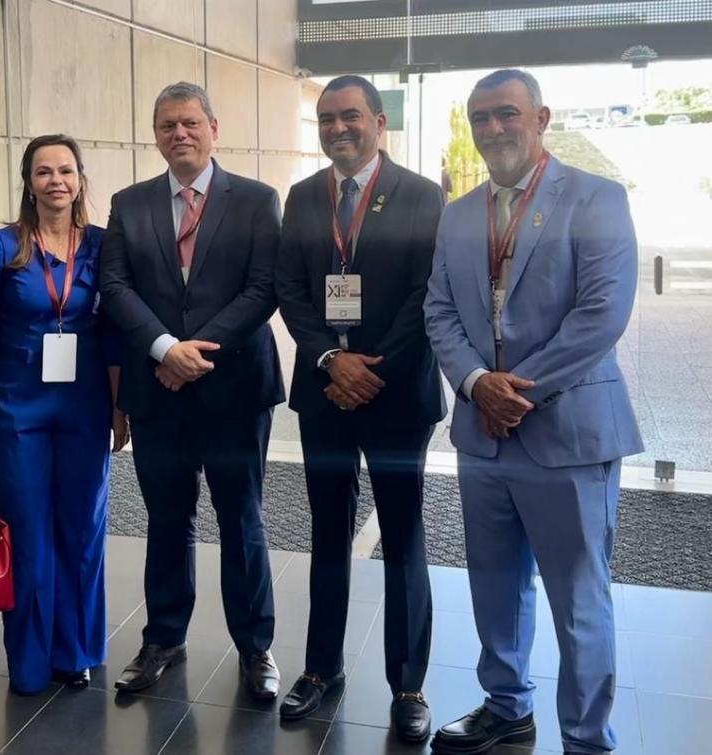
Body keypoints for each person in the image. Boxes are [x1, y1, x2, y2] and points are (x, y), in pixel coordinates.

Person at [423, 69, 642, 755]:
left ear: (540, 118)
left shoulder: (596, 198)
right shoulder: (457, 213)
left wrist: (512, 390)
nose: (492, 129)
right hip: (482, 439)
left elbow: (601, 314)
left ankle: (585, 737)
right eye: (480, 118)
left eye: (506, 114)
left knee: (578, 599)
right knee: (493, 582)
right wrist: (473, 382)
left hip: (566, 432)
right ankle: (506, 706)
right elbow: (437, 309)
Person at [100, 82, 284, 700]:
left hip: (232, 390)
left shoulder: (258, 200)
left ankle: (255, 648)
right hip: (158, 391)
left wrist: (194, 351)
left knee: (243, 521)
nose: (178, 134)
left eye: (189, 123)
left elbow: (264, 289)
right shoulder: (129, 204)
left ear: (213, 126)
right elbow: (116, 287)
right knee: (167, 521)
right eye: (165, 126)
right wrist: (162, 349)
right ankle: (163, 638)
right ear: (154, 136)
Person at [274, 74, 445, 740]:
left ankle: (407, 683)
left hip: (396, 392)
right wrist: (328, 359)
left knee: (401, 537)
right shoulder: (302, 196)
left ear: (378, 122)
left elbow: (426, 294)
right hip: (324, 390)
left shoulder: (423, 195)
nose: (337, 129)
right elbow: (288, 288)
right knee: (325, 531)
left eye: (349, 117)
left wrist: (372, 366)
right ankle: (320, 669)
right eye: (325, 119)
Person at [0, 134, 128, 695]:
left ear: (81, 179)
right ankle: (31, 662)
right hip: (17, 408)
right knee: (30, 533)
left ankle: (77, 651)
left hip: (86, 404)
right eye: (44, 172)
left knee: (82, 530)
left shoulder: (106, 246)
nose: (56, 181)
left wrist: (118, 407)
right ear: (28, 182)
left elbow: (113, 331)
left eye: (66, 170)